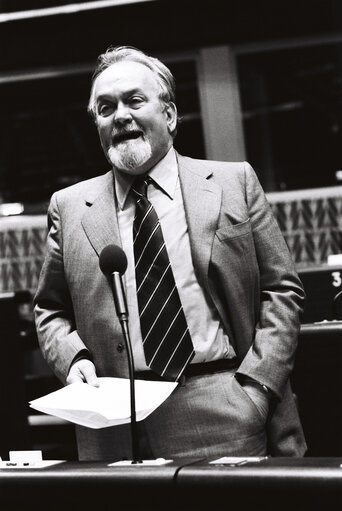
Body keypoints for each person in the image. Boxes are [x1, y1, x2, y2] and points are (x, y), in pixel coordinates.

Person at [34, 45, 306, 461]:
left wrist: (257, 387)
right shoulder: (70, 207)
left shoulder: (234, 183)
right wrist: (73, 360)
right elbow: (50, 308)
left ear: (170, 115)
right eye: (105, 108)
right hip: (114, 422)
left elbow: (281, 290)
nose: (120, 115)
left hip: (224, 402)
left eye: (134, 101)